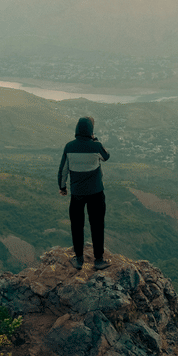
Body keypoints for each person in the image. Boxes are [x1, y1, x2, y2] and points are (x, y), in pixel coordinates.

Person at [57, 116, 111, 270]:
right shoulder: (96, 146)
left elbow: (63, 170)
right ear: (90, 131)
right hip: (96, 193)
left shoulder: (69, 147)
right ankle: (99, 260)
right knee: (97, 225)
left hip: (77, 194)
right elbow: (106, 157)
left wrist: (62, 188)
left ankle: (79, 259)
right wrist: (95, 140)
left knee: (77, 225)